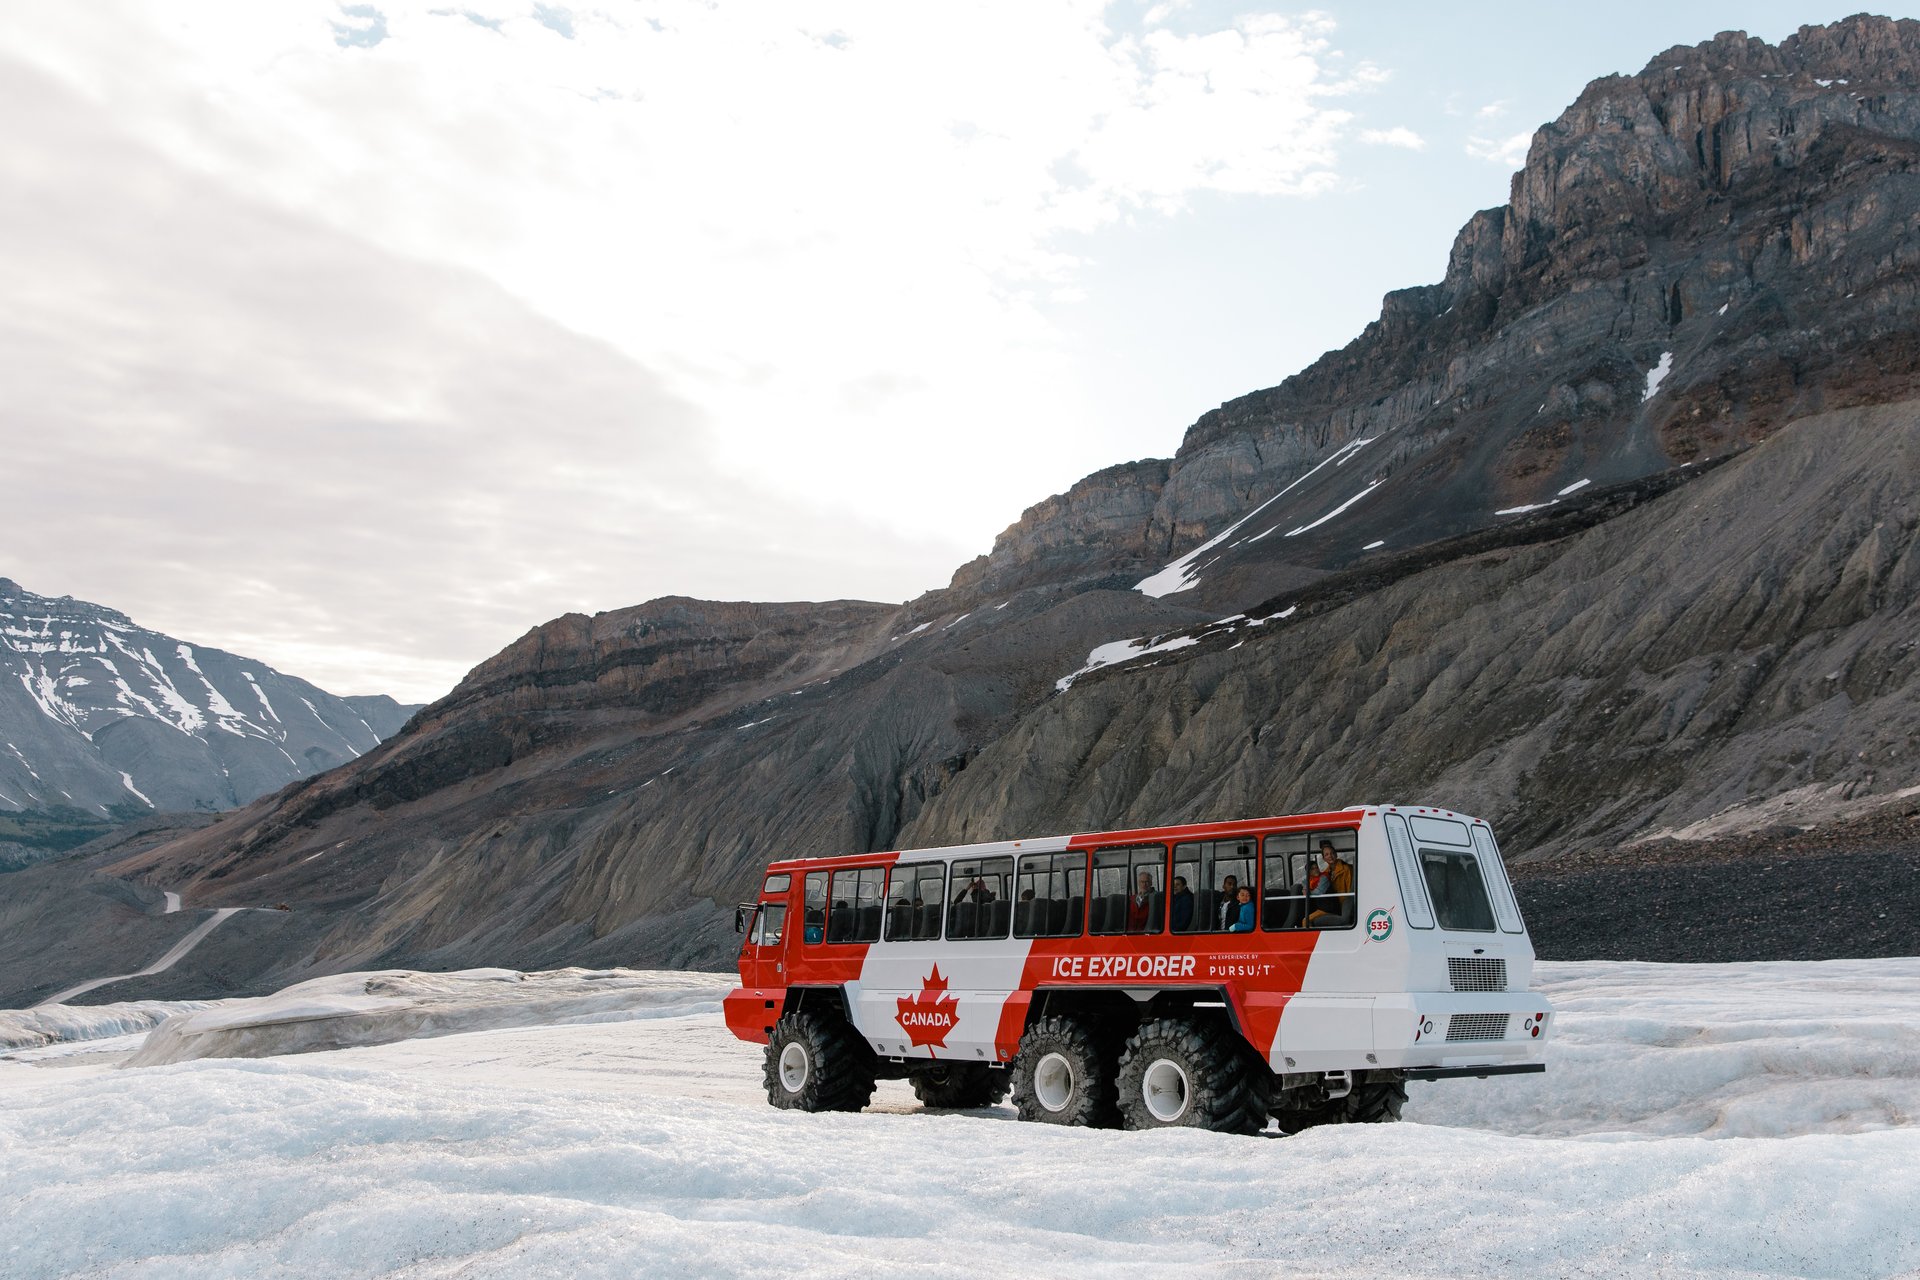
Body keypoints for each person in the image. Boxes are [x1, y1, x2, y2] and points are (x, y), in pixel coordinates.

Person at [1306, 842, 1354, 925]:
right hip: (1331, 904)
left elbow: (1351, 891)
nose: (1330, 856)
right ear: (1324, 858)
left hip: (1344, 904)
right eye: (1327, 854)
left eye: (1332, 853)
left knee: (1308, 921)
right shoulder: (1325, 872)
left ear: (1336, 855)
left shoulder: (1346, 869)